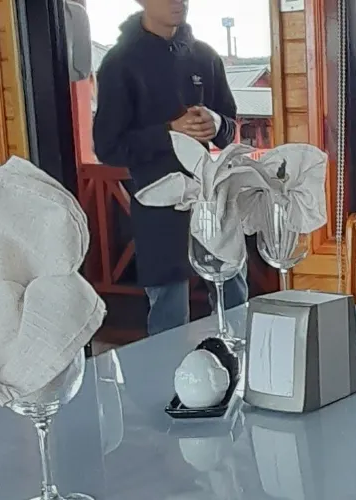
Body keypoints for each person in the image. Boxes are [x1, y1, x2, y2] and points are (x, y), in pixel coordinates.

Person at [93, 0, 248, 336]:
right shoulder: (120, 63)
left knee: (234, 297)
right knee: (169, 314)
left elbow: (229, 129)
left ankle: (241, 364)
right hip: (158, 205)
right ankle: (168, 371)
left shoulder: (205, 56)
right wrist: (169, 132)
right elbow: (107, 147)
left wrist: (216, 122)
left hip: (212, 199)